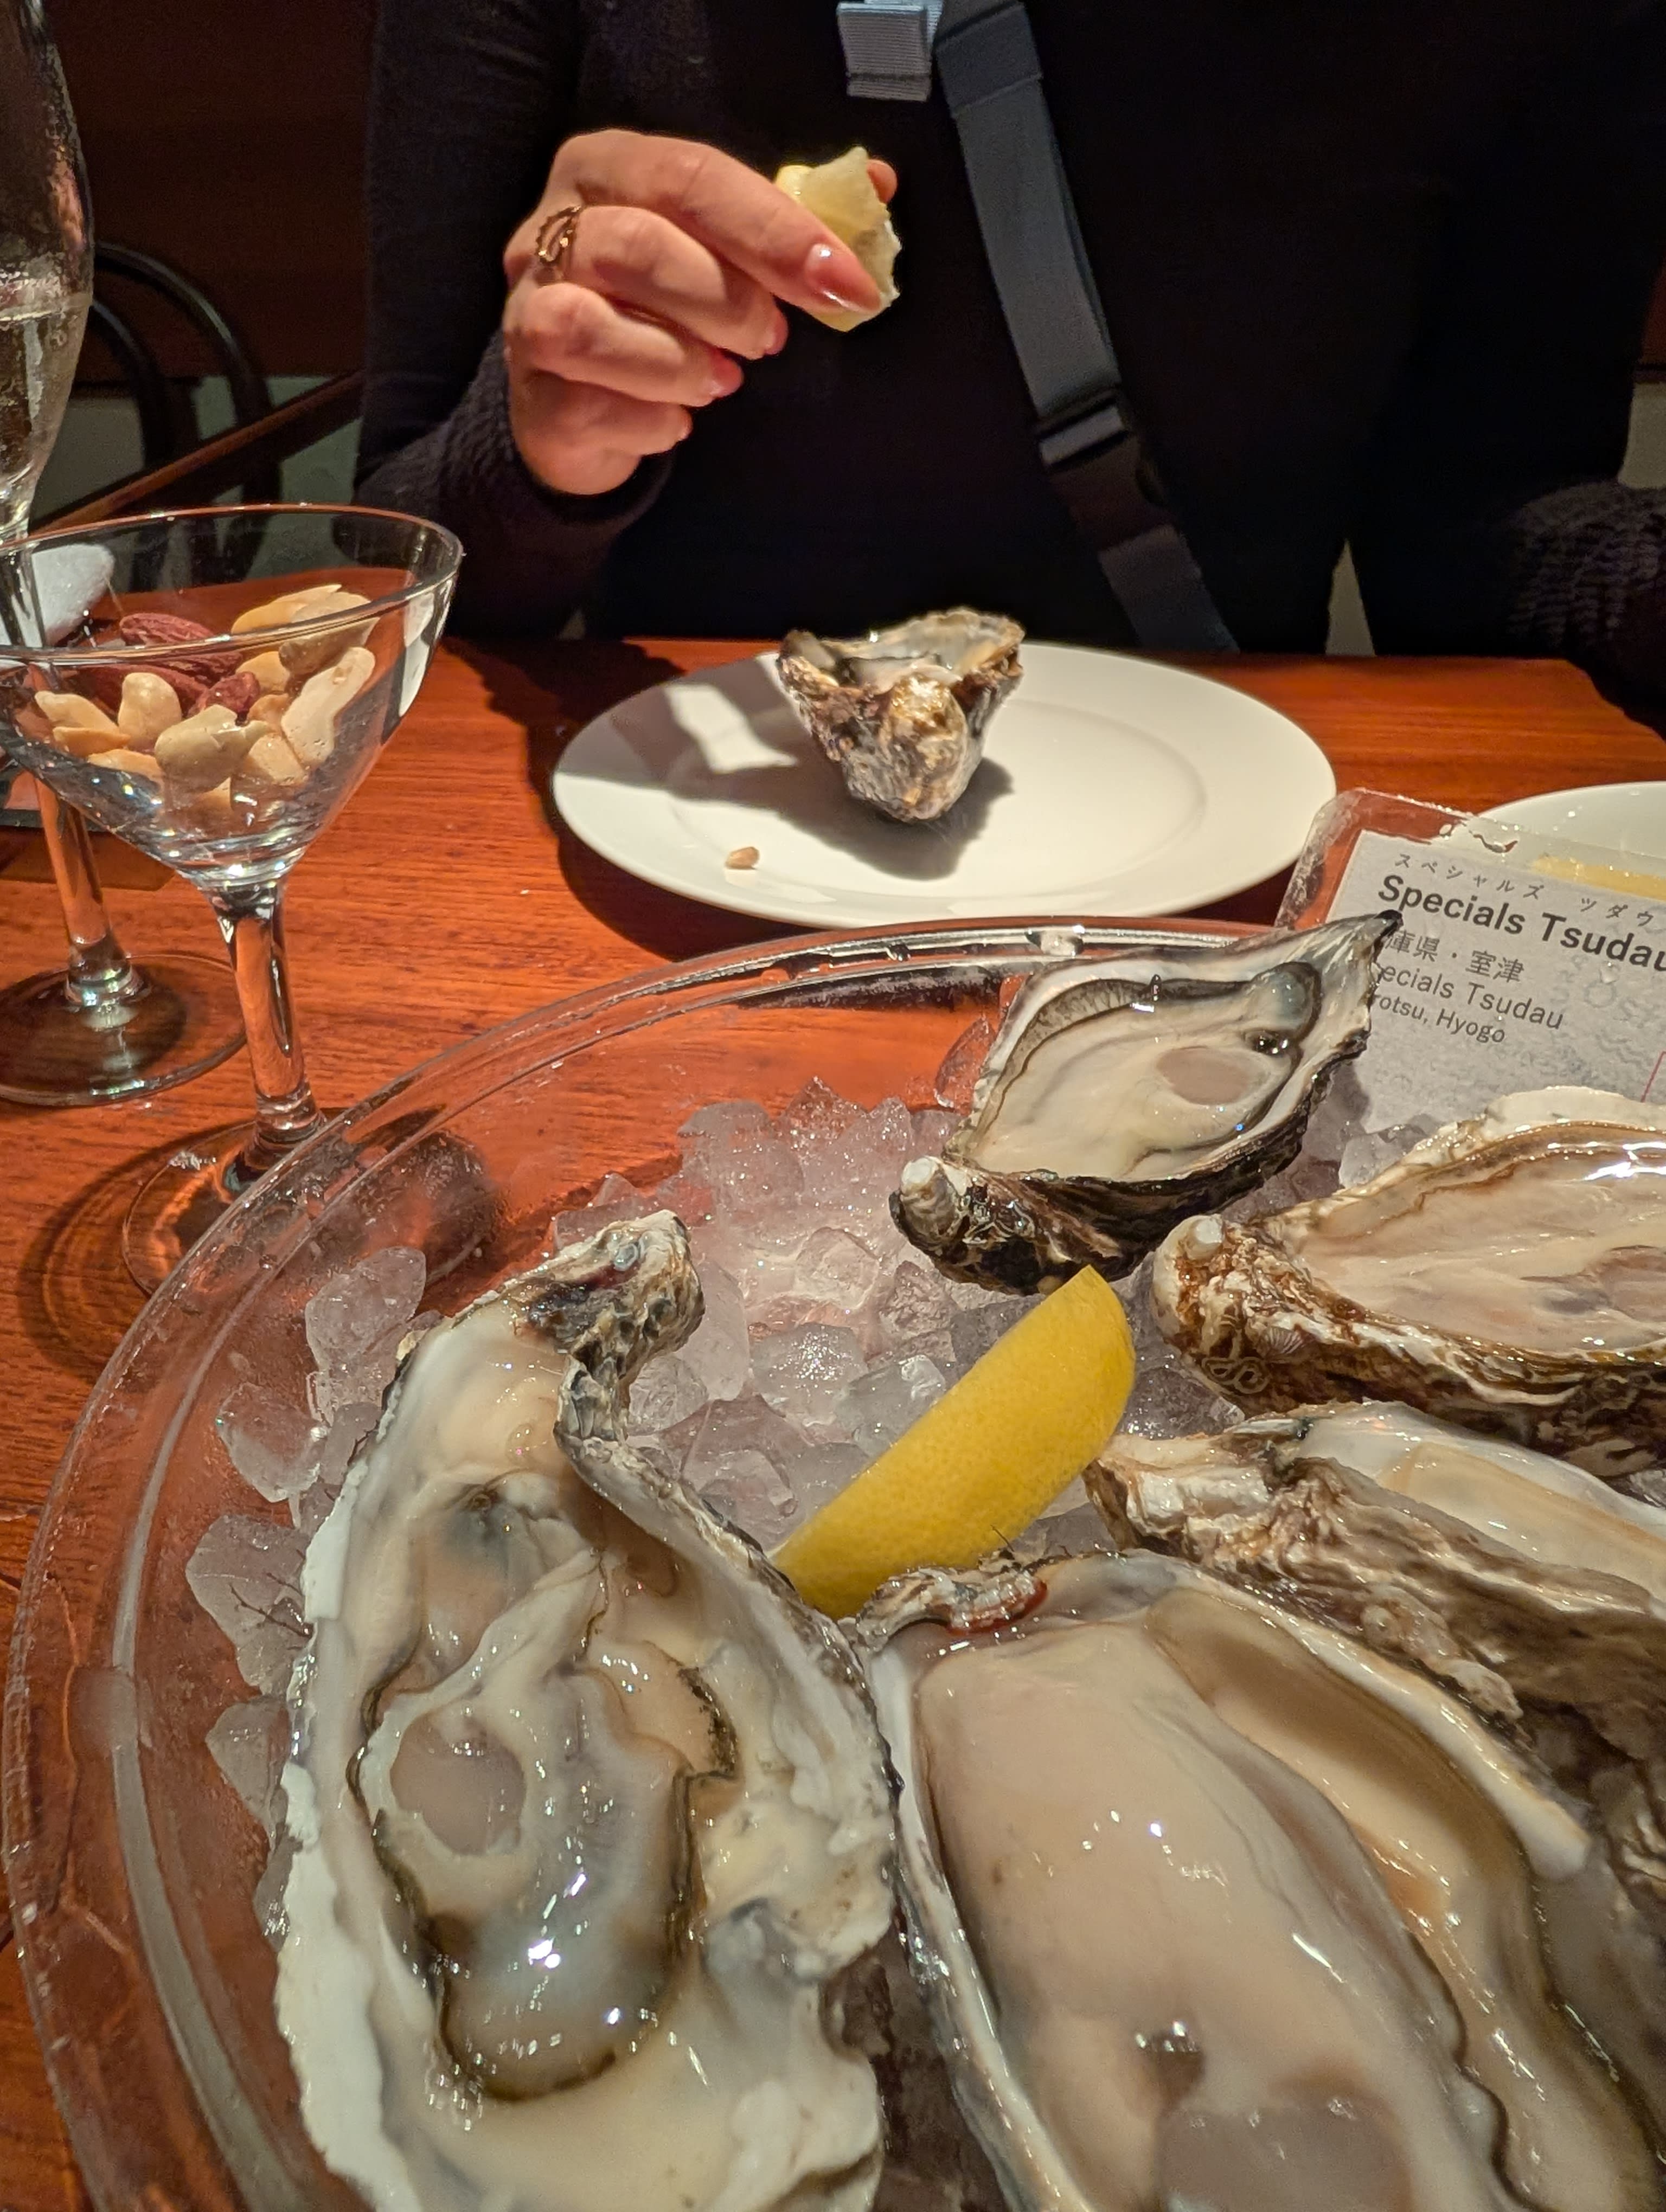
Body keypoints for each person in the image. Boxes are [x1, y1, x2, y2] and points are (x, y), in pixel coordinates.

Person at [358, 0, 1666, 715]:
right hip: (692, 815)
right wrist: (543, 453)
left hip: (1220, 831)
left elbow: (1486, 529)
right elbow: (389, 564)